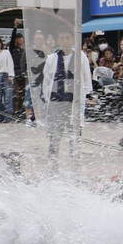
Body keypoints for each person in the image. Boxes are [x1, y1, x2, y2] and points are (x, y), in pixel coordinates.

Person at [42, 28, 93, 158]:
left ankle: (74, 155)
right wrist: (46, 97)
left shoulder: (80, 56)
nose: (65, 41)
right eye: (62, 38)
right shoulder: (52, 58)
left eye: (67, 38)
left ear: (73, 39)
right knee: (55, 130)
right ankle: (53, 156)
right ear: (58, 40)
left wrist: (88, 94)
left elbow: (86, 75)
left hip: (74, 100)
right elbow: (47, 79)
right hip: (56, 99)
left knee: (74, 129)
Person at [0, 36, 15, 122]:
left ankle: (8, 117)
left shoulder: (6, 52)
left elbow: (10, 64)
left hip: (5, 75)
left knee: (7, 97)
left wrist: (10, 75)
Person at [9, 22, 28, 119]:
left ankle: (22, 112)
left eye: (20, 38)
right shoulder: (13, 49)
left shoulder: (26, 51)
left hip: (24, 73)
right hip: (15, 73)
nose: (19, 40)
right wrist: (15, 27)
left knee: (23, 94)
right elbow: (11, 40)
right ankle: (15, 112)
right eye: (17, 38)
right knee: (15, 94)